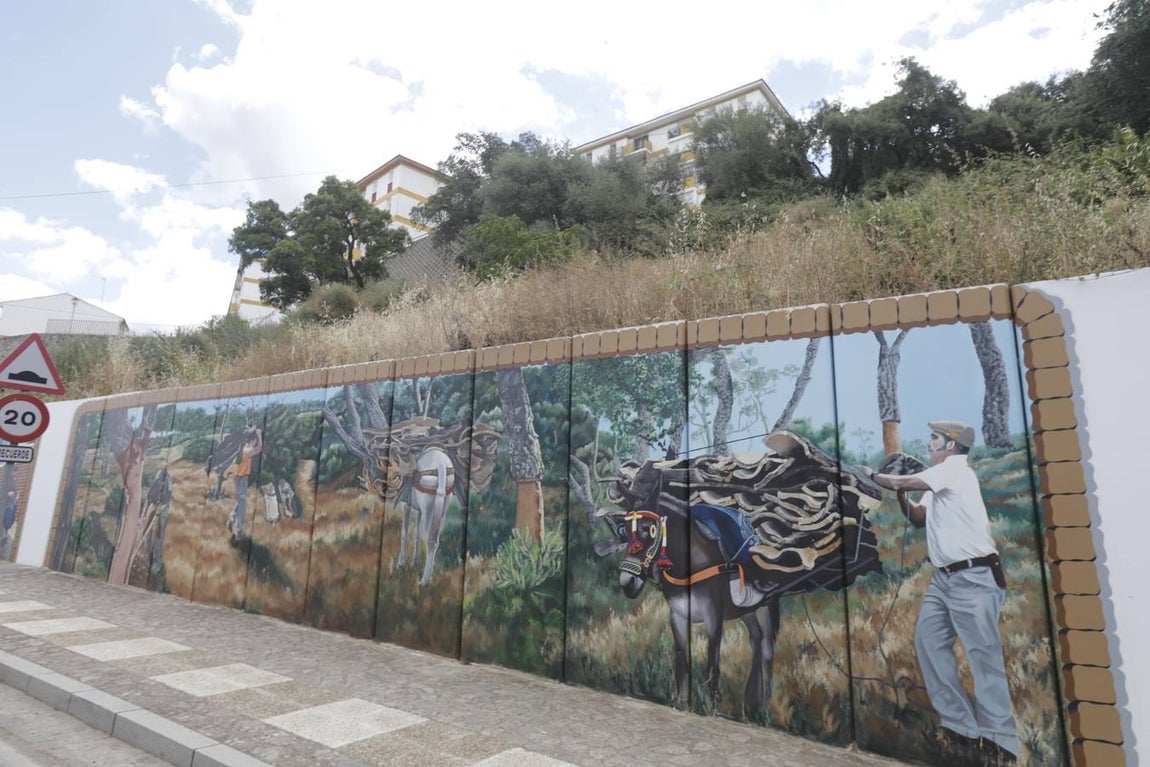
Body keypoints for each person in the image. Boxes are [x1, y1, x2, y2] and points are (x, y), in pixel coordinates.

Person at [860, 421, 1019, 766]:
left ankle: (1000, 744)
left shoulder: (956, 471)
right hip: (944, 579)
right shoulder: (938, 481)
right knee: (929, 643)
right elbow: (918, 518)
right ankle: (961, 728)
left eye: (934, 438)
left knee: (984, 658)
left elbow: (902, 481)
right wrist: (902, 496)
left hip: (974, 576)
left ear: (950, 445)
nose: (929, 442)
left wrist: (876, 476)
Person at [226, 425, 262, 539]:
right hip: (243, 479)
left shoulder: (240, 449)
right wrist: (259, 434)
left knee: (241, 501)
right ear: (252, 441)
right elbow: (260, 447)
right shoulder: (248, 451)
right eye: (254, 441)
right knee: (242, 505)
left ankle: (231, 517)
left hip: (238, 478)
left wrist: (250, 430)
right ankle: (239, 530)